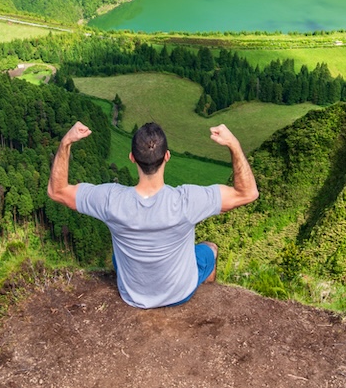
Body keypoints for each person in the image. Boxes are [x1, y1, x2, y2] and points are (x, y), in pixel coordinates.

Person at [46, 120, 259, 309]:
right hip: (179, 294)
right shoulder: (187, 201)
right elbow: (247, 193)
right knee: (210, 248)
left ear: (132, 157)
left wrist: (66, 142)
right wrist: (234, 145)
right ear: (167, 156)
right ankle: (210, 289)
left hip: (132, 295)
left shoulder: (110, 200)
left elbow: (57, 191)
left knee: (116, 256)